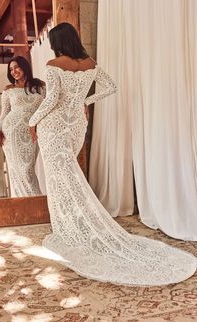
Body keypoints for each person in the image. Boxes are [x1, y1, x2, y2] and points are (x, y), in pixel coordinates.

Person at [29, 23, 196, 286]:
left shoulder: (53, 64)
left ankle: (68, 231)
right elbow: (110, 87)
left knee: (60, 180)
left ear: (57, 41)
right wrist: (86, 102)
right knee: (69, 176)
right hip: (75, 127)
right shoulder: (90, 63)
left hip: (54, 126)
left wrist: (32, 120)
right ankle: (74, 227)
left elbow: (51, 101)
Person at [0, 56, 45, 197]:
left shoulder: (41, 87)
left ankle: (36, 202)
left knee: (28, 169)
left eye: (16, 67)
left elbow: (49, 105)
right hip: (11, 133)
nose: (13, 71)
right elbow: (4, 112)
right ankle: (25, 204)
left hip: (32, 133)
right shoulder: (8, 90)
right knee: (18, 171)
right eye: (11, 69)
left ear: (24, 66)